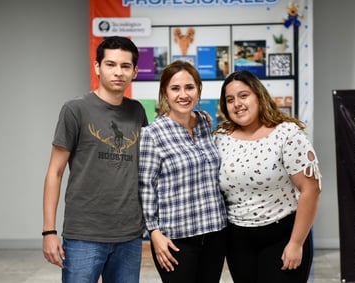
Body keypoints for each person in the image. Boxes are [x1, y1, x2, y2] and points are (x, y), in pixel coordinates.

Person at [42, 36, 147, 283]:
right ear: (97, 67)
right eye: (110, 64)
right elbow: (54, 172)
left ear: (135, 71)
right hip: (84, 235)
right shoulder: (75, 109)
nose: (118, 72)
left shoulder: (137, 111)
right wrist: (49, 231)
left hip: (129, 235)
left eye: (125, 66)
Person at [214, 70, 321, 283]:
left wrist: (296, 243)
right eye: (230, 99)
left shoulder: (286, 134)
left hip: (282, 237)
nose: (237, 104)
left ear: (259, 96)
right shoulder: (221, 137)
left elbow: (311, 189)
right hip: (238, 242)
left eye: (244, 95)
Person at [138, 60, 227, 283]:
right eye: (175, 88)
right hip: (176, 239)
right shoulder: (152, 134)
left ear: (198, 90)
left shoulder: (206, 124)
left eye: (189, 87)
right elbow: (145, 186)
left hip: (215, 232)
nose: (183, 94)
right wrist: (154, 233)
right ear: (165, 93)